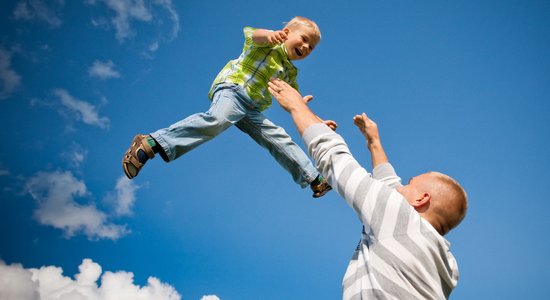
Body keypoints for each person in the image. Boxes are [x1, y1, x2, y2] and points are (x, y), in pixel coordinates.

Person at [268, 78, 468, 299]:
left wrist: (296, 105)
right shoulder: (447, 264)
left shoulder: (401, 220)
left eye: (408, 185)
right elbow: (388, 186)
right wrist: (374, 143)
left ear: (421, 199)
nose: (400, 187)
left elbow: (335, 159)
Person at [122, 16, 334, 197]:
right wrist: (269, 36)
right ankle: (152, 142)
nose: (306, 47)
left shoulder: (290, 73)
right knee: (217, 120)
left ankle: (314, 177)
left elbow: (296, 101)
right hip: (233, 90)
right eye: (304, 40)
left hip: (251, 109)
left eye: (311, 47)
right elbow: (253, 35)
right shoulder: (267, 42)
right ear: (287, 32)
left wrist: (317, 121)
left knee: (278, 138)